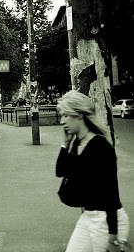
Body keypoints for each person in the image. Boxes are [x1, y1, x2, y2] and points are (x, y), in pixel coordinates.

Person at [55, 90, 129, 251]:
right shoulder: (77, 143)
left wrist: (113, 235)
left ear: (79, 114)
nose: (62, 121)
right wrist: (65, 144)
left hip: (106, 219)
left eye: (65, 115)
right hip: (88, 216)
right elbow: (60, 172)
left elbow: (112, 193)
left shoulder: (100, 146)